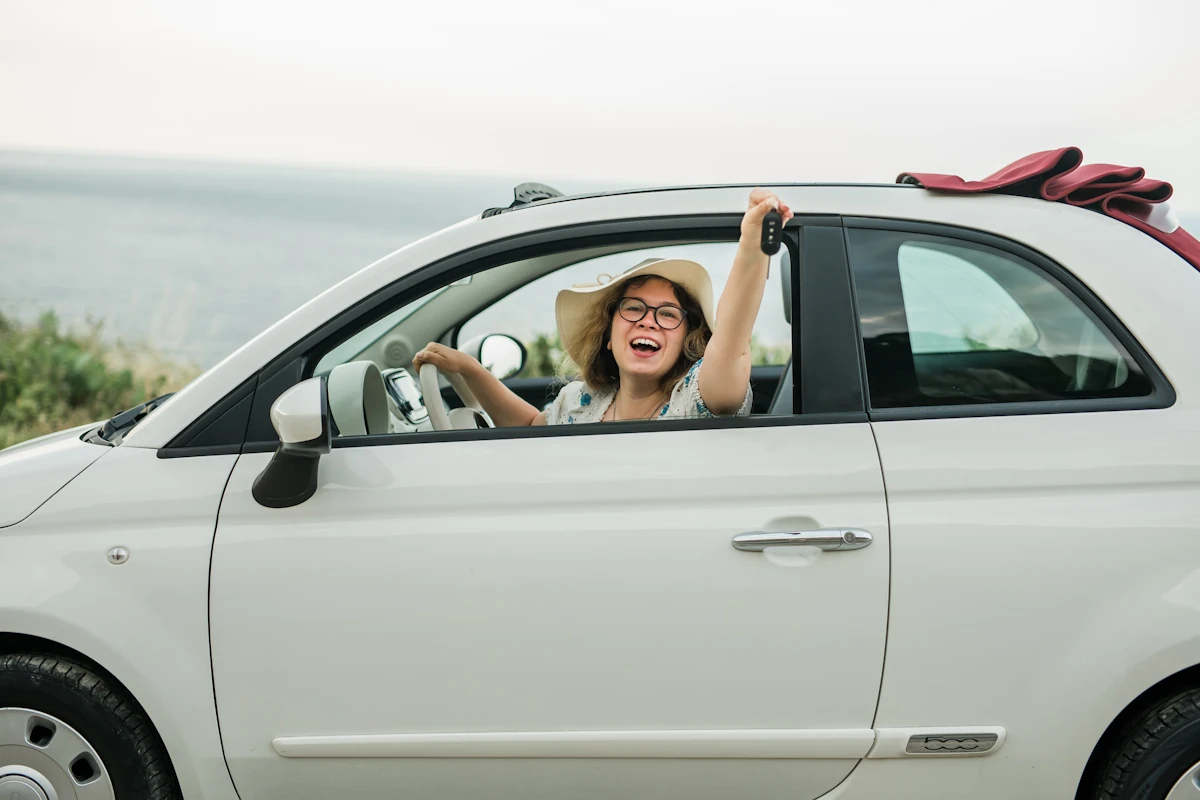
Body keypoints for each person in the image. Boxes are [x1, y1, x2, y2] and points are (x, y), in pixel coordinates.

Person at [413, 188, 793, 426]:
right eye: (634, 309)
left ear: (686, 342)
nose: (649, 322)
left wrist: (752, 242)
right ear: (609, 336)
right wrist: (471, 370)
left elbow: (731, 339)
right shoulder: (584, 401)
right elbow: (533, 428)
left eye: (668, 314)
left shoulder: (696, 399)